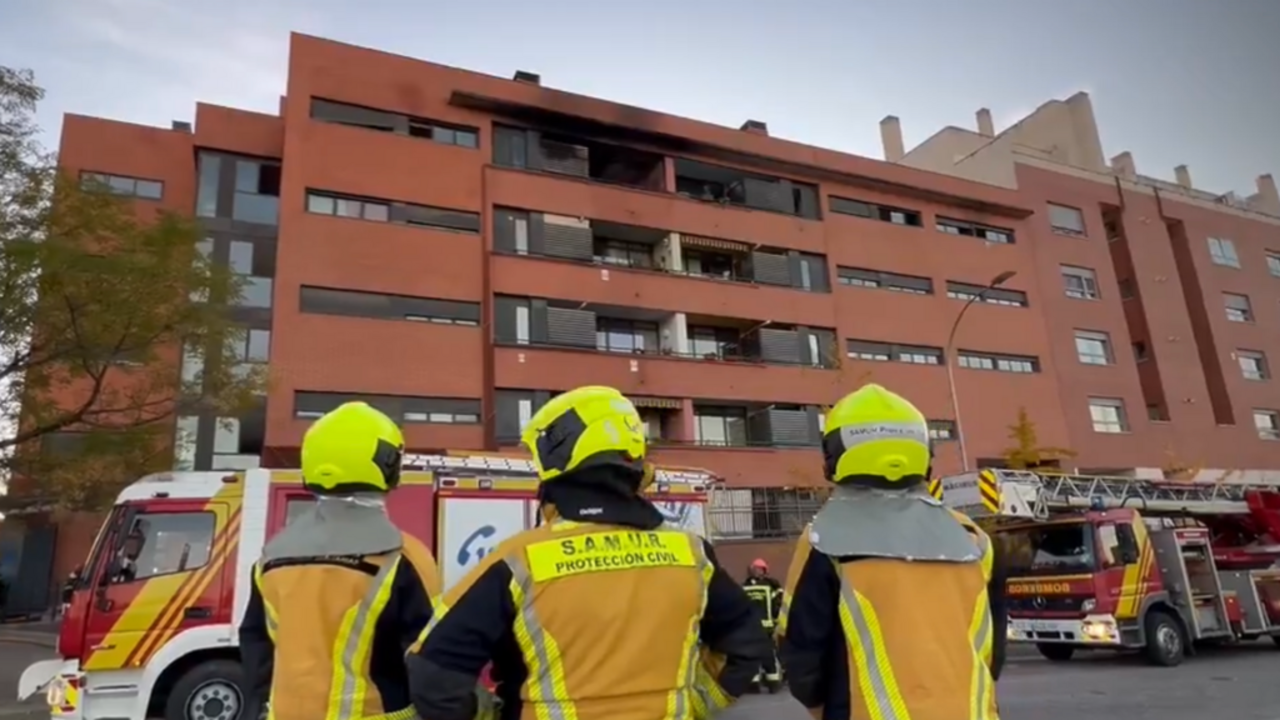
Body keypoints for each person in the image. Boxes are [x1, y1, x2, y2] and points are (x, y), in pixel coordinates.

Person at [406, 385, 772, 720]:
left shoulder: (520, 560)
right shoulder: (692, 553)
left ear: (557, 458)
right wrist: (695, 703)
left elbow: (434, 676)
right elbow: (745, 644)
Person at [780, 384, 1008, 720]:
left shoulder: (825, 537)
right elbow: (994, 652)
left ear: (835, 454)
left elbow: (800, 652)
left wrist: (826, 709)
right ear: (923, 450)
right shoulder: (972, 538)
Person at [239, 401, 442, 720]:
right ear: (388, 464)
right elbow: (431, 666)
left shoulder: (270, 561)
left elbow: (257, 657)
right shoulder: (403, 558)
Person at [742, 559, 784, 688]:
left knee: (761, 653)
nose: (756, 571)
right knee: (761, 653)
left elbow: (778, 604)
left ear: (764, 570)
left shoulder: (749, 586)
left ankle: (769, 682)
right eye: (755, 568)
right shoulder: (749, 585)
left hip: (759, 626)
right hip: (759, 626)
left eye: (759, 569)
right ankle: (764, 682)